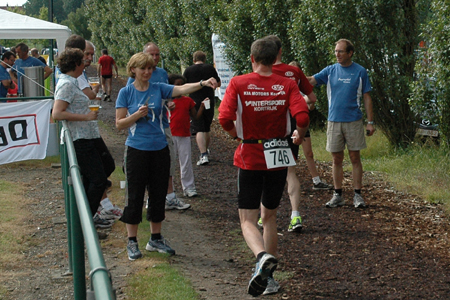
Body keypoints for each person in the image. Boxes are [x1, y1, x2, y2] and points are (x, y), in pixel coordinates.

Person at [218, 37, 309, 296]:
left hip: (251, 152)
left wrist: (236, 135)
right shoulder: (288, 84)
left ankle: (261, 257)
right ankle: (269, 279)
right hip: (279, 152)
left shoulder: (238, 82)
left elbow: (224, 117)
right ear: (277, 56)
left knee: (247, 219)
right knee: (269, 215)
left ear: (252, 59)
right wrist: (299, 135)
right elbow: (302, 116)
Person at [116, 52, 217, 261]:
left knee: (158, 193)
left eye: (150, 68)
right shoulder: (125, 93)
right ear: (132, 70)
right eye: (143, 68)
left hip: (159, 148)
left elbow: (181, 89)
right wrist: (135, 115)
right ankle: (132, 241)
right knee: (134, 194)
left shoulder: (159, 89)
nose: (147, 72)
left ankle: (155, 238)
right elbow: (119, 123)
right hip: (136, 149)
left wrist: (202, 83)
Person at [307, 38, 375, 208]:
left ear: (350, 53)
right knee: (336, 158)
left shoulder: (360, 71)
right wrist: (292, 75)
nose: (337, 54)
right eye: (336, 51)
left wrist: (370, 122)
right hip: (334, 121)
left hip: (353, 121)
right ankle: (338, 194)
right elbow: (311, 81)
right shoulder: (330, 71)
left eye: (340, 51)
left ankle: (357, 195)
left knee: (354, 157)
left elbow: (367, 97)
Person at [127, 42, 190, 209]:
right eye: (151, 55)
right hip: (141, 130)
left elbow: (168, 92)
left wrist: (168, 103)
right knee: (144, 166)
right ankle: (152, 198)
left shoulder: (162, 73)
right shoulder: (131, 82)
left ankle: (168, 196)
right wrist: (138, 113)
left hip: (162, 125)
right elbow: (129, 101)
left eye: (157, 55)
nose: (155, 58)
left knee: (168, 160)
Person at [52, 48, 110, 229]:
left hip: (88, 135)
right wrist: (86, 117)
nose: (87, 62)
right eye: (84, 60)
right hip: (80, 138)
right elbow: (57, 113)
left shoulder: (72, 81)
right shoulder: (67, 84)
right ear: (76, 64)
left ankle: (83, 215)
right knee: (98, 179)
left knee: (105, 168)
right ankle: (85, 220)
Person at [167, 74, 206, 205]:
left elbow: (195, 117)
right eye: (176, 85)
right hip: (170, 135)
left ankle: (189, 187)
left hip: (184, 135)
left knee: (186, 161)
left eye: (181, 85)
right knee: (169, 163)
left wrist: (201, 107)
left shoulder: (188, 101)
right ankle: (168, 190)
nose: (179, 88)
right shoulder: (167, 101)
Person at [183, 50, 221, 166]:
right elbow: (218, 83)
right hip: (208, 99)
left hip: (195, 100)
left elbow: (184, 86)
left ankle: (203, 154)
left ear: (193, 60)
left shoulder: (188, 70)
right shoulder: (210, 68)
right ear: (204, 59)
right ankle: (205, 150)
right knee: (206, 127)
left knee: (198, 127)